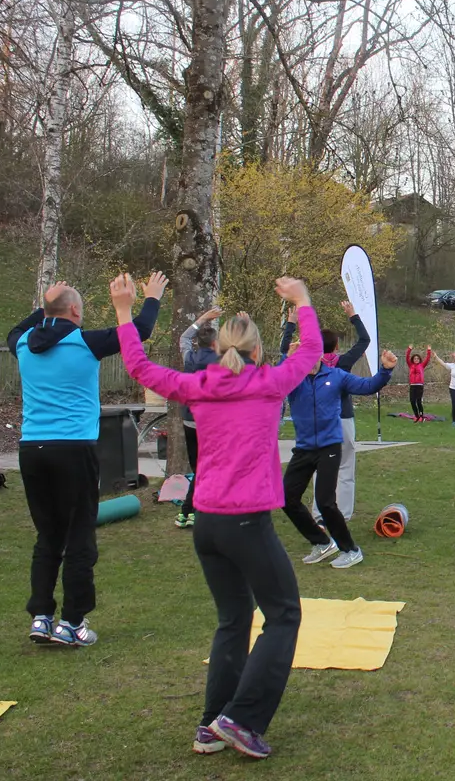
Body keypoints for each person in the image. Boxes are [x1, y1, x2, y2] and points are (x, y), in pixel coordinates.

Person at [112, 274, 323, 759]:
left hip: (207, 524)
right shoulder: (269, 383)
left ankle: (210, 725)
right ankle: (241, 719)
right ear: (257, 351)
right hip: (247, 522)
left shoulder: (197, 385)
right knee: (284, 615)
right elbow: (310, 351)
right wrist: (302, 301)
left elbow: (141, 367)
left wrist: (126, 312)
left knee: (233, 619)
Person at [8, 272, 165, 647]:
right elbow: (138, 331)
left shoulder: (23, 343)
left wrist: (45, 307)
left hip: (32, 451)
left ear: (46, 312)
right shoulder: (85, 342)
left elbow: (17, 328)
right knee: (79, 537)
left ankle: (42, 617)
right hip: (73, 450)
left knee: (48, 536)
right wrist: (152, 297)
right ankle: (73, 623)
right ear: (75, 310)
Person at [282, 337, 396, 570]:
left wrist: (385, 370)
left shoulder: (336, 377)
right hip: (304, 448)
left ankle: (351, 550)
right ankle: (322, 542)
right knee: (286, 497)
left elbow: (368, 386)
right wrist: (287, 358)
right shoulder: (293, 379)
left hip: (329, 447)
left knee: (325, 502)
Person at [280, 301, 369, 521]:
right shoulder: (343, 363)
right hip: (344, 419)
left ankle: (320, 514)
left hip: (320, 423)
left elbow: (285, 352)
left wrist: (291, 325)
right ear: (337, 346)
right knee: (346, 468)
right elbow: (364, 340)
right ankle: (344, 515)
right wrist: (353, 315)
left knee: (320, 468)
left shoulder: (307, 363)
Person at [176, 305, 224, 529]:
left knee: (199, 467)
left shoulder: (189, 358)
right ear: (215, 344)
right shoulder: (221, 363)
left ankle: (187, 512)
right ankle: (192, 510)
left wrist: (202, 318)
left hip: (189, 418)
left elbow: (184, 337)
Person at [404, 345, 433, 423]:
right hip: (412, 386)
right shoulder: (411, 365)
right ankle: (417, 416)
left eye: (417, 358)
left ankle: (421, 416)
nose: (416, 359)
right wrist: (409, 349)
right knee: (412, 401)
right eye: (415, 358)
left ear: (419, 359)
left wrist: (429, 350)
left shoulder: (422, 365)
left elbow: (427, 359)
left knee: (418, 401)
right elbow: (406, 357)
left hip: (419, 386)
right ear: (413, 359)